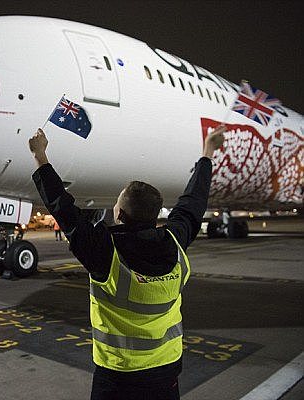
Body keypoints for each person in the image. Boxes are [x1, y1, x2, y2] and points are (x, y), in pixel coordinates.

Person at [28, 126, 225, 400]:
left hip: (117, 375)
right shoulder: (175, 241)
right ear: (156, 215)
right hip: (166, 371)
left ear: (118, 212)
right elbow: (194, 201)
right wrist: (208, 153)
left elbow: (63, 207)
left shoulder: (106, 251)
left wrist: (40, 155)